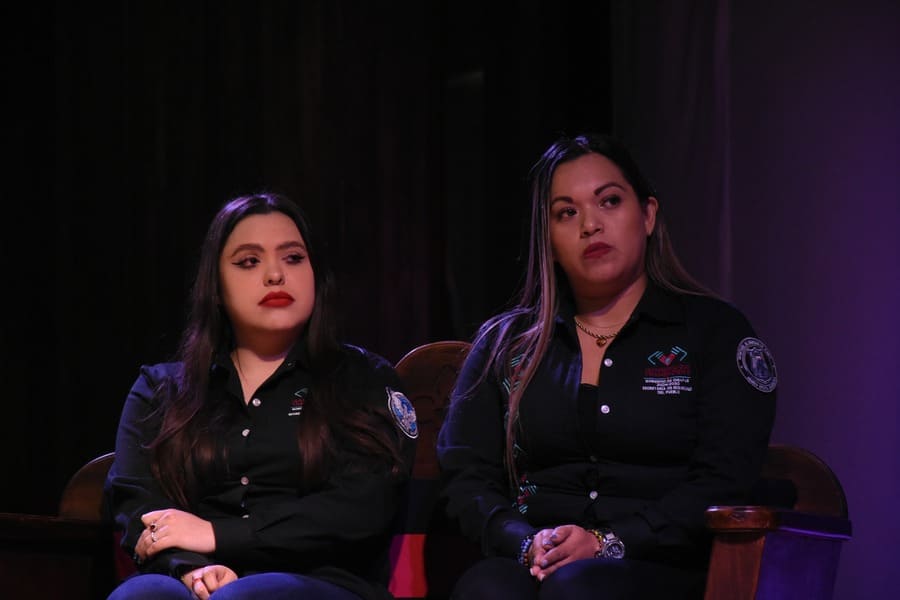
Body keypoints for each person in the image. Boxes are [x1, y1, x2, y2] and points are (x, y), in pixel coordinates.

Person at [436, 133, 777, 599]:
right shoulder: (505, 343)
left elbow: (724, 479)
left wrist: (607, 543)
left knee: (579, 589)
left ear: (648, 215)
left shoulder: (715, 332)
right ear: (548, 241)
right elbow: (466, 475)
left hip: (663, 564)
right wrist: (524, 542)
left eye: (609, 201)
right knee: (486, 590)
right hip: (536, 559)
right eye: (566, 213)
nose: (590, 225)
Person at [105, 193, 418, 600]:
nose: (275, 275)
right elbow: (137, 503)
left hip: (324, 582)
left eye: (293, 258)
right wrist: (193, 569)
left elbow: (362, 509)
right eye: (249, 261)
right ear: (216, 287)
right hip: (187, 576)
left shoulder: (363, 380)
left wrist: (218, 534)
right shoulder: (161, 389)